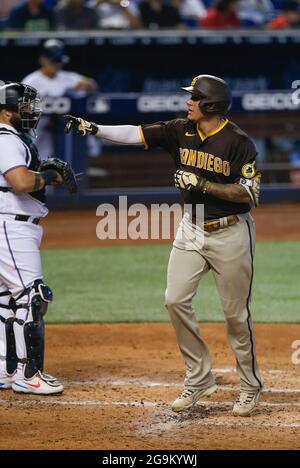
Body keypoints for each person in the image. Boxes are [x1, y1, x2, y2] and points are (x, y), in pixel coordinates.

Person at [63, 74, 263, 417]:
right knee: (174, 299)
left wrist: (202, 184)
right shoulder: (178, 129)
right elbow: (136, 133)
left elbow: (248, 194)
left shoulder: (238, 142)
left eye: (194, 97)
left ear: (210, 105)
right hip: (191, 228)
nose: (188, 102)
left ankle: (249, 387)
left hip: (230, 232)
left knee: (235, 316)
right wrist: (95, 128)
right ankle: (199, 377)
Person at [0, 82, 76, 394]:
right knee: (33, 296)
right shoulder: (5, 139)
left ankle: (6, 369)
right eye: (24, 108)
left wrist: (42, 174)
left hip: (8, 223)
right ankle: (29, 375)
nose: (31, 112)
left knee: (7, 301)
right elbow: (19, 182)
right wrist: (48, 177)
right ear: (6, 112)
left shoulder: (12, 137)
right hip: (10, 225)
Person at [23, 39, 98, 159]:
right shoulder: (31, 81)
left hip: (65, 124)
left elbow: (91, 84)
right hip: (41, 126)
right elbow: (22, 108)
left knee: (90, 142)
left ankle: (82, 168)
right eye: (53, 61)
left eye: (58, 61)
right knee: (35, 155)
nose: (57, 64)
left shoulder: (67, 77)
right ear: (43, 60)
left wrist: (86, 85)